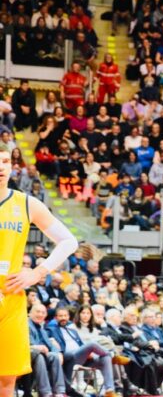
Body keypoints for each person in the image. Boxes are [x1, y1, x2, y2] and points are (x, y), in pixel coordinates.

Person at [0, 144, 78, 396]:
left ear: (12, 166)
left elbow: (69, 242)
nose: (0, 167)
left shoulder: (26, 203)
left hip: (11, 298)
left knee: (6, 379)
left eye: (5, 161)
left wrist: (37, 272)